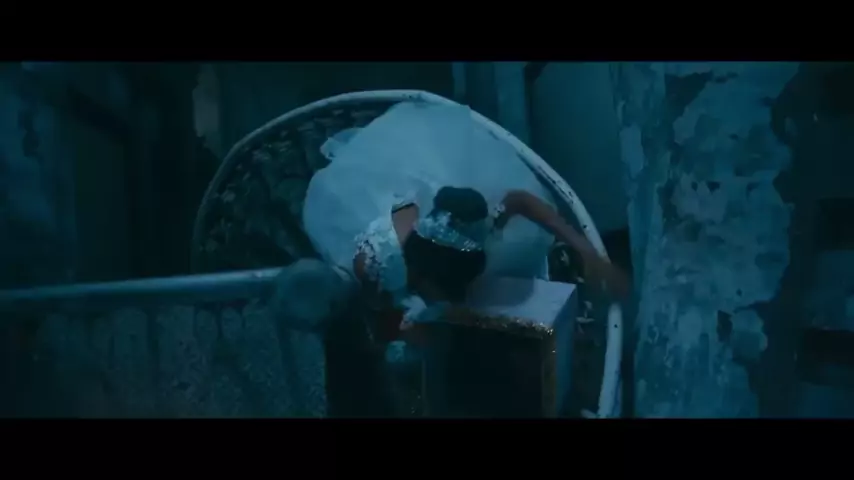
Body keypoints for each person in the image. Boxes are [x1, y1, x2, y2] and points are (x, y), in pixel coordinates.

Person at [301, 101, 630, 338]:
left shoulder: (470, 226)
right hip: (390, 209)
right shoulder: (373, 265)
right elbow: (378, 305)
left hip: (428, 203)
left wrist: (588, 253)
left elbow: (521, 201)